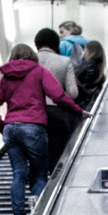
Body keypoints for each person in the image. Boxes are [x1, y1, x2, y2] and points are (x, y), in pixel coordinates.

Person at [0, 42, 82, 215]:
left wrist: (3, 127)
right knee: (39, 173)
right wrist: (78, 110)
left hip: (11, 128)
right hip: (33, 127)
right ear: (32, 55)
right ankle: (37, 206)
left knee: (18, 173)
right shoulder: (39, 71)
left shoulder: (6, 77)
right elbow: (58, 96)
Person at [32, 27, 82, 164]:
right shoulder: (64, 61)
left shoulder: (28, 62)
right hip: (57, 114)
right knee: (56, 156)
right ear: (56, 44)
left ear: (36, 44)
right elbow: (73, 93)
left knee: (35, 159)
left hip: (31, 115)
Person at [72, 40, 107, 110]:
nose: (83, 51)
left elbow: (72, 76)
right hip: (91, 100)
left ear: (89, 51)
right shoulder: (99, 65)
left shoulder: (87, 63)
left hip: (83, 100)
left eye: (85, 48)